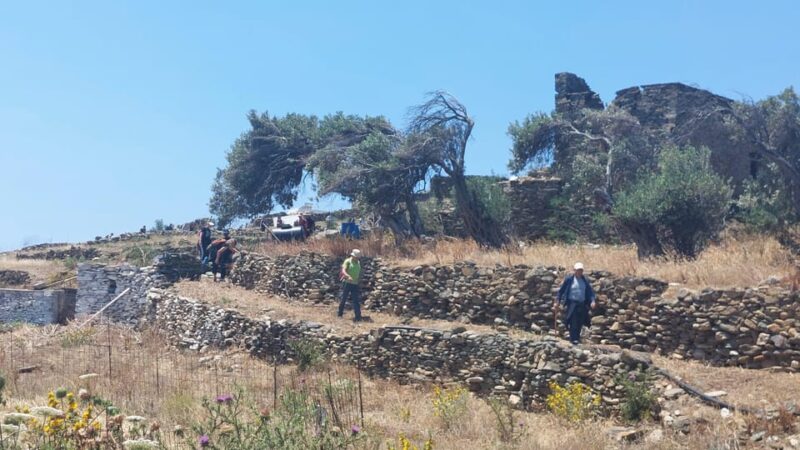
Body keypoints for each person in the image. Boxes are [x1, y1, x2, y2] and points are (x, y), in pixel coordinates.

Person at [555, 262, 597, 345]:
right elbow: (561, 291)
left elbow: (590, 292)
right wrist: (557, 301)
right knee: (573, 321)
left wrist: (592, 301)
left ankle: (576, 338)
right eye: (578, 270)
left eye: (581, 270)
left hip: (582, 303)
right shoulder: (569, 280)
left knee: (580, 321)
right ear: (574, 270)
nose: (579, 272)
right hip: (572, 303)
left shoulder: (585, 280)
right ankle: (573, 339)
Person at [338, 249, 363, 321]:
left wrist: (359, 280)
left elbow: (358, 272)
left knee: (356, 300)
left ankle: (358, 317)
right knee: (343, 299)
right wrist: (348, 276)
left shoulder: (358, 262)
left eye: (358, 257)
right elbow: (343, 270)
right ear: (353, 256)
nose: (357, 258)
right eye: (356, 257)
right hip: (347, 283)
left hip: (355, 284)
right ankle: (340, 314)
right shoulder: (348, 261)